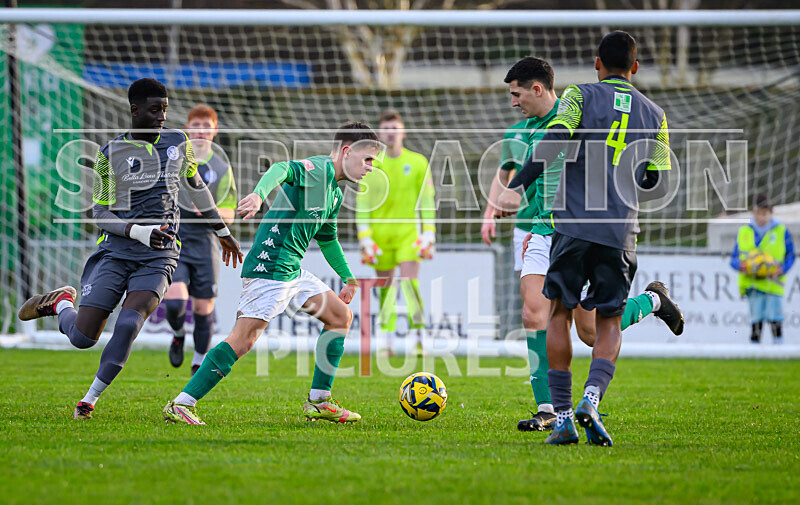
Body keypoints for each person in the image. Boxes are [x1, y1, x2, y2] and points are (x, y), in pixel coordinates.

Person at [17, 78, 243, 420]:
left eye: (165, 109)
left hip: (160, 256)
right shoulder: (110, 154)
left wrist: (222, 230)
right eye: (155, 110)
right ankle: (63, 304)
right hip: (116, 251)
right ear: (134, 110)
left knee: (128, 325)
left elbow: (197, 188)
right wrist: (138, 230)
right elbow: (100, 214)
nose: (162, 116)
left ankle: (89, 400)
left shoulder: (179, 143)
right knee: (82, 338)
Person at [491, 57, 684, 432]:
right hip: (544, 230)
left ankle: (652, 301)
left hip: (584, 232)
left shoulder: (579, 109)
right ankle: (548, 409)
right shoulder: (520, 131)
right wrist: (508, 201)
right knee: (534, 314)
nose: (513, 103)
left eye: (517, 94)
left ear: (537, 88)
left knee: (590, 331)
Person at [162, 121, 379, 425]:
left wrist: (349, 277)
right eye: (368, 159)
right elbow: (281, 168)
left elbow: (328, 239)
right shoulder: (316, 170)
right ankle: (182, 403)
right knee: (243, 340)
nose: (371, 167)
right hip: (269, 267)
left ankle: (319, 400)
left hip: (291, 270)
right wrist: (259, 194)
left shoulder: (335, 194)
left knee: (340, 317)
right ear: (347, 151)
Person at [164, 104, 237, 375]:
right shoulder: (176, 160)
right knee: (175, 300)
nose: (201, 131)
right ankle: (178, 334)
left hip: (206, 241)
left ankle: (197, 362)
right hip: (177, 237)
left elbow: (230, 210)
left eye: (207, 127)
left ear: (215, 130)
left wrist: (213, 211)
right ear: (187, 129)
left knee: (204, 308)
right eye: (196, 126)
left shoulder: (221, 166)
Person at [356, 110, 435, 355]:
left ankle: (419, 335)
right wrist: (364, 236)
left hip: (408, 235)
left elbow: (427, 199)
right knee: (385, 287)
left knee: (410, 283)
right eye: (386, 129)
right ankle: (387, 339)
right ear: (380, 134)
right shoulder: (372, 164)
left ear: (403, 131)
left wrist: (429, 232)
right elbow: (362, 203)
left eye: (395, 128)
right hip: (380, 237)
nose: (391, 133)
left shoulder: (419, 162)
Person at [730, 193, 794, 344]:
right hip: (753, 285)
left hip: (773, 284)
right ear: (753, 212)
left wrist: (782, 269)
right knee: (756, 323)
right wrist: (741, 265)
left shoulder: (781, 231)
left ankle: (779, 351)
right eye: (757, 213)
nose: (761, 217)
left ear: (771, 213)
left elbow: (791, 255)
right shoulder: (744, 231)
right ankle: (754, 352)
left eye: (764, 213)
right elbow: (733, 259)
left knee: (775, 321)